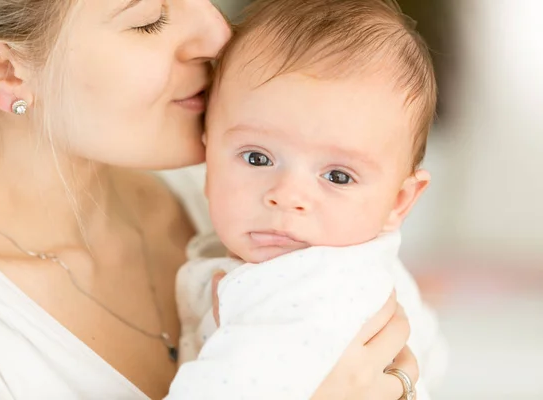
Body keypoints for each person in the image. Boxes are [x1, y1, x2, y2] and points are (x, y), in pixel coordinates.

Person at [0, 0, 417, 399]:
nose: (217, 34)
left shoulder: (249, 193)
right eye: (149, 18)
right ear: (0, 69)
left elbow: (419, 362)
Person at [172, 0, 447, 399]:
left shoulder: (301, 286)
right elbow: (432, 354)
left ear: (399, 202)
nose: (286, 196)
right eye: (257, 158)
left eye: (337, 176)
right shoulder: (370, 267)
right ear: (207, 153)